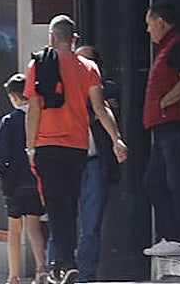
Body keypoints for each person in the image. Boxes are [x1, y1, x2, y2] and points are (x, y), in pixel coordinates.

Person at [24, 15, 128, 284]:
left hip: (47, 144)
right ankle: (66, 262)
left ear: (51, 37)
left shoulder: (38, 64)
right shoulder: (89, 67)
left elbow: (33, 108)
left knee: (57, 204)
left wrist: (30, 147)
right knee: (70, 205)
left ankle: (64, 262)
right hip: (77, 146)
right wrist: (116, 138)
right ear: (74, 39)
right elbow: (100, 107)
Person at [141, 1, 180, 257]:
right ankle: (171, 235)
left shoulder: (177, 45)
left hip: (174, 124)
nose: (149, 31)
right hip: (163, 127)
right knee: (155, 180)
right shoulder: (166, 47)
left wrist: (163, 102)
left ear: (160, 22)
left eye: (150, 25)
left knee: (177, 181)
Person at [72, 45, 121, 283]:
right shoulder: (63, 89)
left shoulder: (107, 90)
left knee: (90, 225)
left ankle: (84, 275)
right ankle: (57, 271)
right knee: (62, 221)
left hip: (93, 162)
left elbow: (104, 110)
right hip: (67, 161)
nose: (80, 68)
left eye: (86, 63)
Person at [0, 73, 48, 284]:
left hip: (14, 184)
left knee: (14, 230)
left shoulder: (9, 121)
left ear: (15, 97)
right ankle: (41, 267)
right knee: (34, 226)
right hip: (35, 180)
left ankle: (13, 275)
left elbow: (0, 155)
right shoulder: (40, 117)